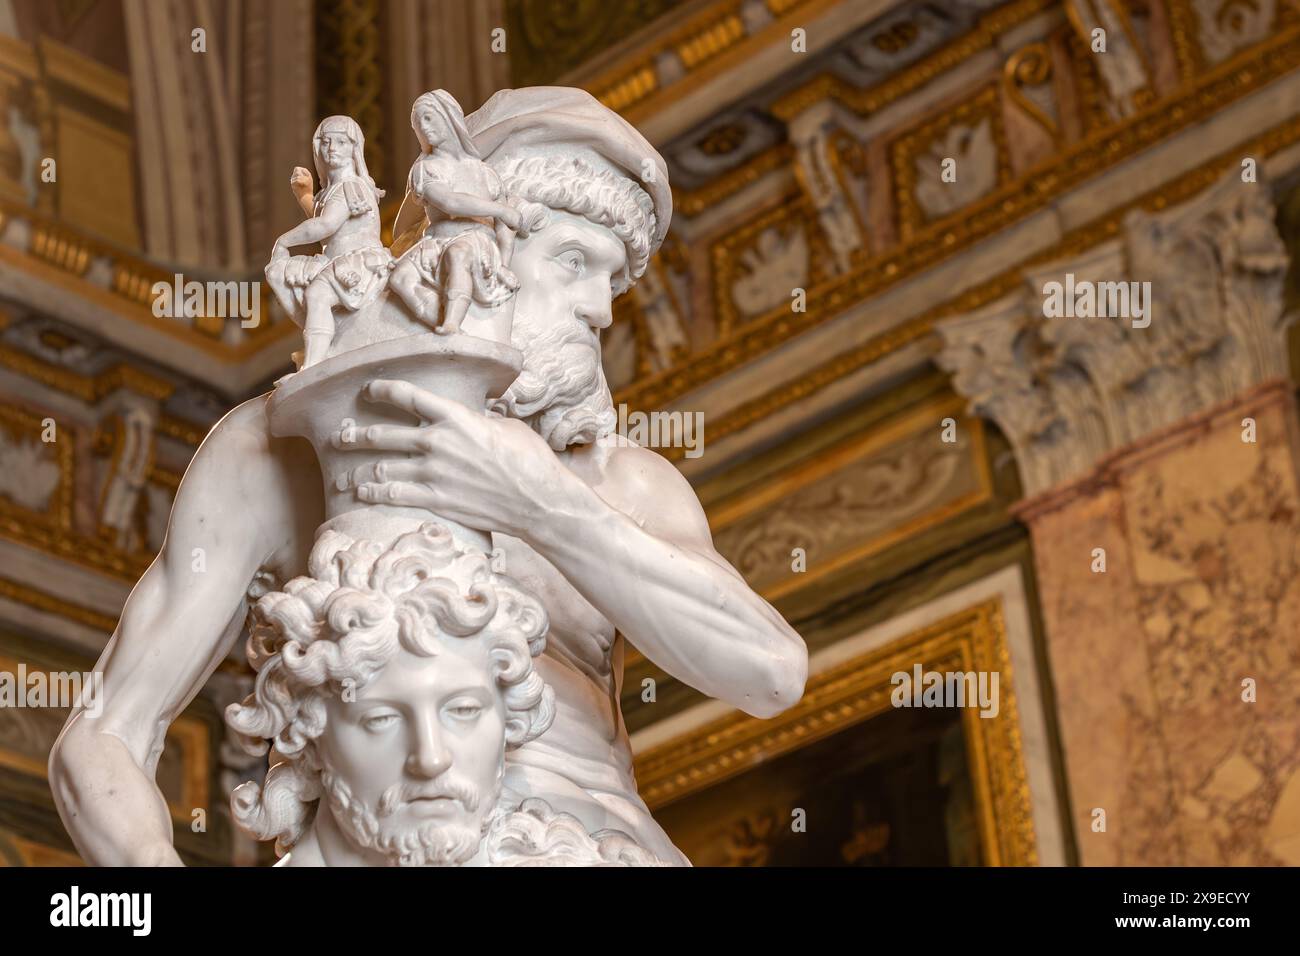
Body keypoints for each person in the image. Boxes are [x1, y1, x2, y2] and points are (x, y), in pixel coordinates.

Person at [49, 88, 807, 868]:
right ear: (473, 250)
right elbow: (104, 736)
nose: (600, 312)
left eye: (611, 283)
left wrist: (540, 507)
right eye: (574, 265)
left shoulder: (621, 483)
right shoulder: (282, 452)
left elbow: (771, 674)